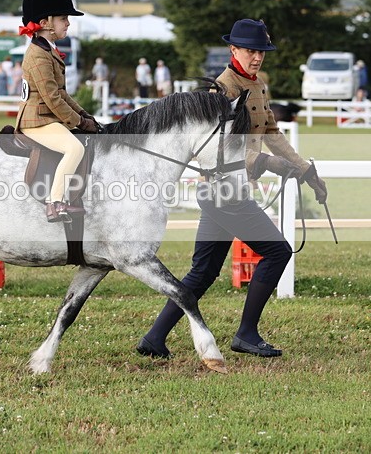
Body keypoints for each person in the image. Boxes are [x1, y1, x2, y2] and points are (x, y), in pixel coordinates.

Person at [136, 19, 328, 359]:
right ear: (233, 50)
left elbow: (271, 133)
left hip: (226, 192)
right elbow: (216, 147)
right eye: (250, 51)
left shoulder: (258, 86)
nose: (256, 58)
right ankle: (246, 334)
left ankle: (154, 338)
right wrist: (267, 164)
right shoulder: (221, 91)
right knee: (278, 251)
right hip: (224, 190)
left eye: (261, 52)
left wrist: (305, 169)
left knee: (204, 271)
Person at [15, 0, 98, 222]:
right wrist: (79, 123)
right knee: (74, 148)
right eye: (63, 18)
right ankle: (55, 203)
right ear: (45, 23)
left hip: (47, 117)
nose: (68, 23)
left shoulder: (48, 49)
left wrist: (85, 116)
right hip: (36, 120)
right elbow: (52, 98)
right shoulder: (38, 55)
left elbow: (63, 94)